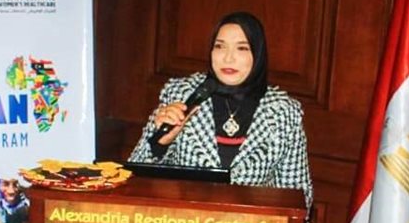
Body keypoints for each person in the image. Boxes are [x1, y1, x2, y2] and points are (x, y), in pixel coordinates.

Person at [128, 11, 312, 208]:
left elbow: (299, 198)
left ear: (258, 55)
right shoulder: (183, 95)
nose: (228, 58)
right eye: (220, 46)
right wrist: (160, 144)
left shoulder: (283, 112)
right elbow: (133, 177)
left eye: (242, 48)